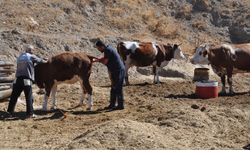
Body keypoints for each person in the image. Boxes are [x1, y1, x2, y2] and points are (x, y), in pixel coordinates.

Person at [7, 45, 47, 118]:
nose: (33, 51)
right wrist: (46, 60)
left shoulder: (20, 57)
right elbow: (41, 61)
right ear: (30, 50)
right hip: (26, 79)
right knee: (29, 97)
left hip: (17, 79)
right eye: (32, 50)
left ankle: (9, 113)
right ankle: (30, 114)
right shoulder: (31, 56)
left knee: (14, 96)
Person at [93, 40, 125, 110]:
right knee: (113, 88)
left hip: (118, 70)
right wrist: (98, 59)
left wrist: (98, 60)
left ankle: (120, 106)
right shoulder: (108, 48)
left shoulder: (107, 50)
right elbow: (105, 58)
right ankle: (112, 104)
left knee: (118, 88)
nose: (98, 50)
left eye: (98, 48)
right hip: (116, 70)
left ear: (101, 46)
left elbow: (105, 61)